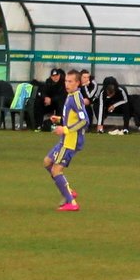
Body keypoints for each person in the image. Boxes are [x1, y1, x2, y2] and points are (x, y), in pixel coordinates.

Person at [42, 69, 89, 212]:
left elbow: (84, 121)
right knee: (47, 162)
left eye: (70, 81)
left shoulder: (75, 98)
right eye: (66, 81)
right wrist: (61, 120)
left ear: (77, 83)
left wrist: (65, 129)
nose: (67, 84)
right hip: (65, 139)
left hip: (71, 141)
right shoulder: (70, 95)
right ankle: (68, 190)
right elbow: (72, 117)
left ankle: (72, 202)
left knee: (56, 170)